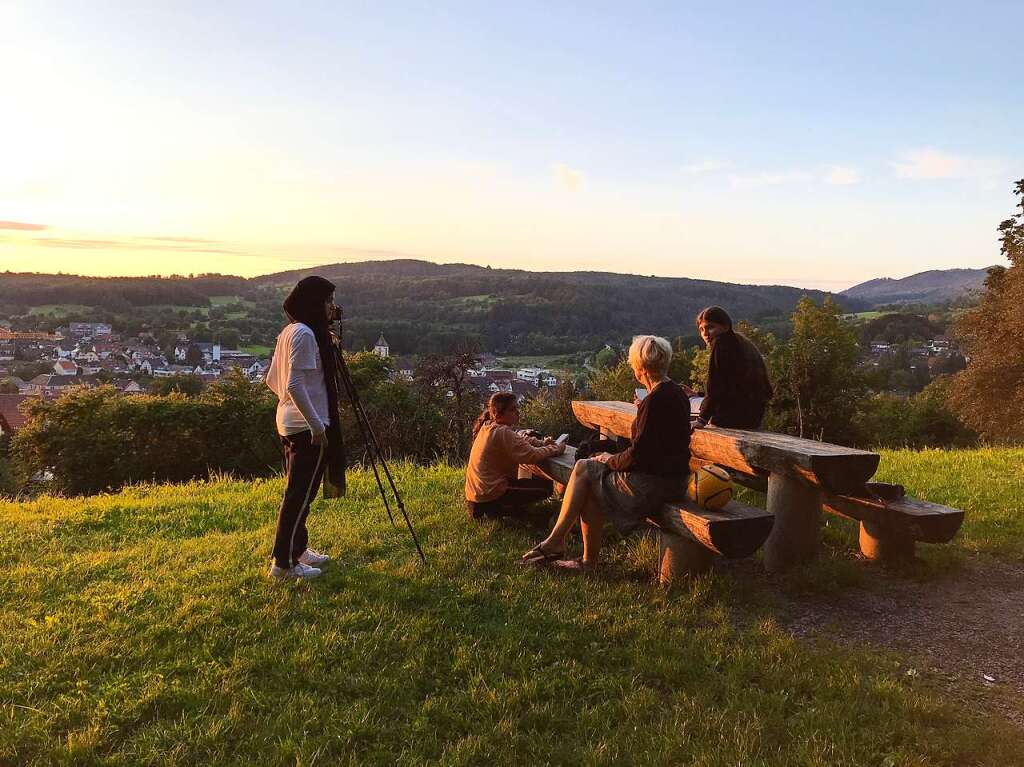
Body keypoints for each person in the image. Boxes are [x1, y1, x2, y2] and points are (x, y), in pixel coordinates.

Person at [521, 335, 690, 570]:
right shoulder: (676, 393)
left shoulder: (655, 401)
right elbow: (654, 446)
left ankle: (555, 542)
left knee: (583, 468)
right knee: (588, 482)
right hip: (675, 480)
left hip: (655, 484)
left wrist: (610, 460)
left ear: (640, 368)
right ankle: (585, 559)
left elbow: (639, 456)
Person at [264, 276, 347, 580]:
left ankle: (298, 549)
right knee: (298, 496)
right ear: (315, 303)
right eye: (327, 301)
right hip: (307, 428)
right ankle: (283, 564)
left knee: (301, 493)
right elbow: (293, 384)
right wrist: (316, 425)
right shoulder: (305, 335)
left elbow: (273, 381)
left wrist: (287, 407)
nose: (332, 307)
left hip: (291, 422)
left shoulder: (291, 331)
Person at [465, 392, 566, 520]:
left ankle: (497, 508)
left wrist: (542, 443)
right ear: (497, 412)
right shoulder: (502, 432)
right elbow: (531, 455)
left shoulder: (487, 426)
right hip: (490, 494)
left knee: (536, 482)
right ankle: (503, 509)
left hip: (476, 493)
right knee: (546, 487)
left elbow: (518, 440)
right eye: (512, 409)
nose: (517, 412)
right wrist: (556, 449)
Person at [693, 306, 773, 430]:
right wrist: (699, 394)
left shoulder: (720, 343)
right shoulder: (742, 344)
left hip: (731, 420)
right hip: (753, 419)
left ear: (725, 326)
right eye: (701, 329)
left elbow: (716, 385)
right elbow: (732, 385)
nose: (705, 334)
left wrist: (701, 420)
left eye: (710, 327)